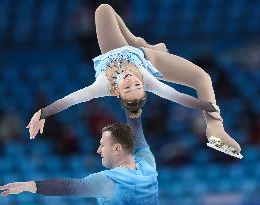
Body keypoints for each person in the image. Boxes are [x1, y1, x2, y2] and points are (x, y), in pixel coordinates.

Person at [26, 4, 242, 158]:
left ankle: (140, 43)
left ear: (117, 92)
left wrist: (43, 113)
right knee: (202, 77)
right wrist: (211, 115)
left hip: (118, 51)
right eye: (137, 85)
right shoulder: (149, 81)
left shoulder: (102, 85)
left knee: (103, 10)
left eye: (127, 86)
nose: (131, 80)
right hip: (149, 61)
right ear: (144, 86)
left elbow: (70, 100)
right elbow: (183, 98)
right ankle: (216, 130)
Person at [0, 112, 159, 204]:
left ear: (117, 148)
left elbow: (68, 187)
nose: (98, 150)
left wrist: (30, 185)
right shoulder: (148, 165)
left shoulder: (109, 181)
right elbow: (139, 137)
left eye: (103, 145)